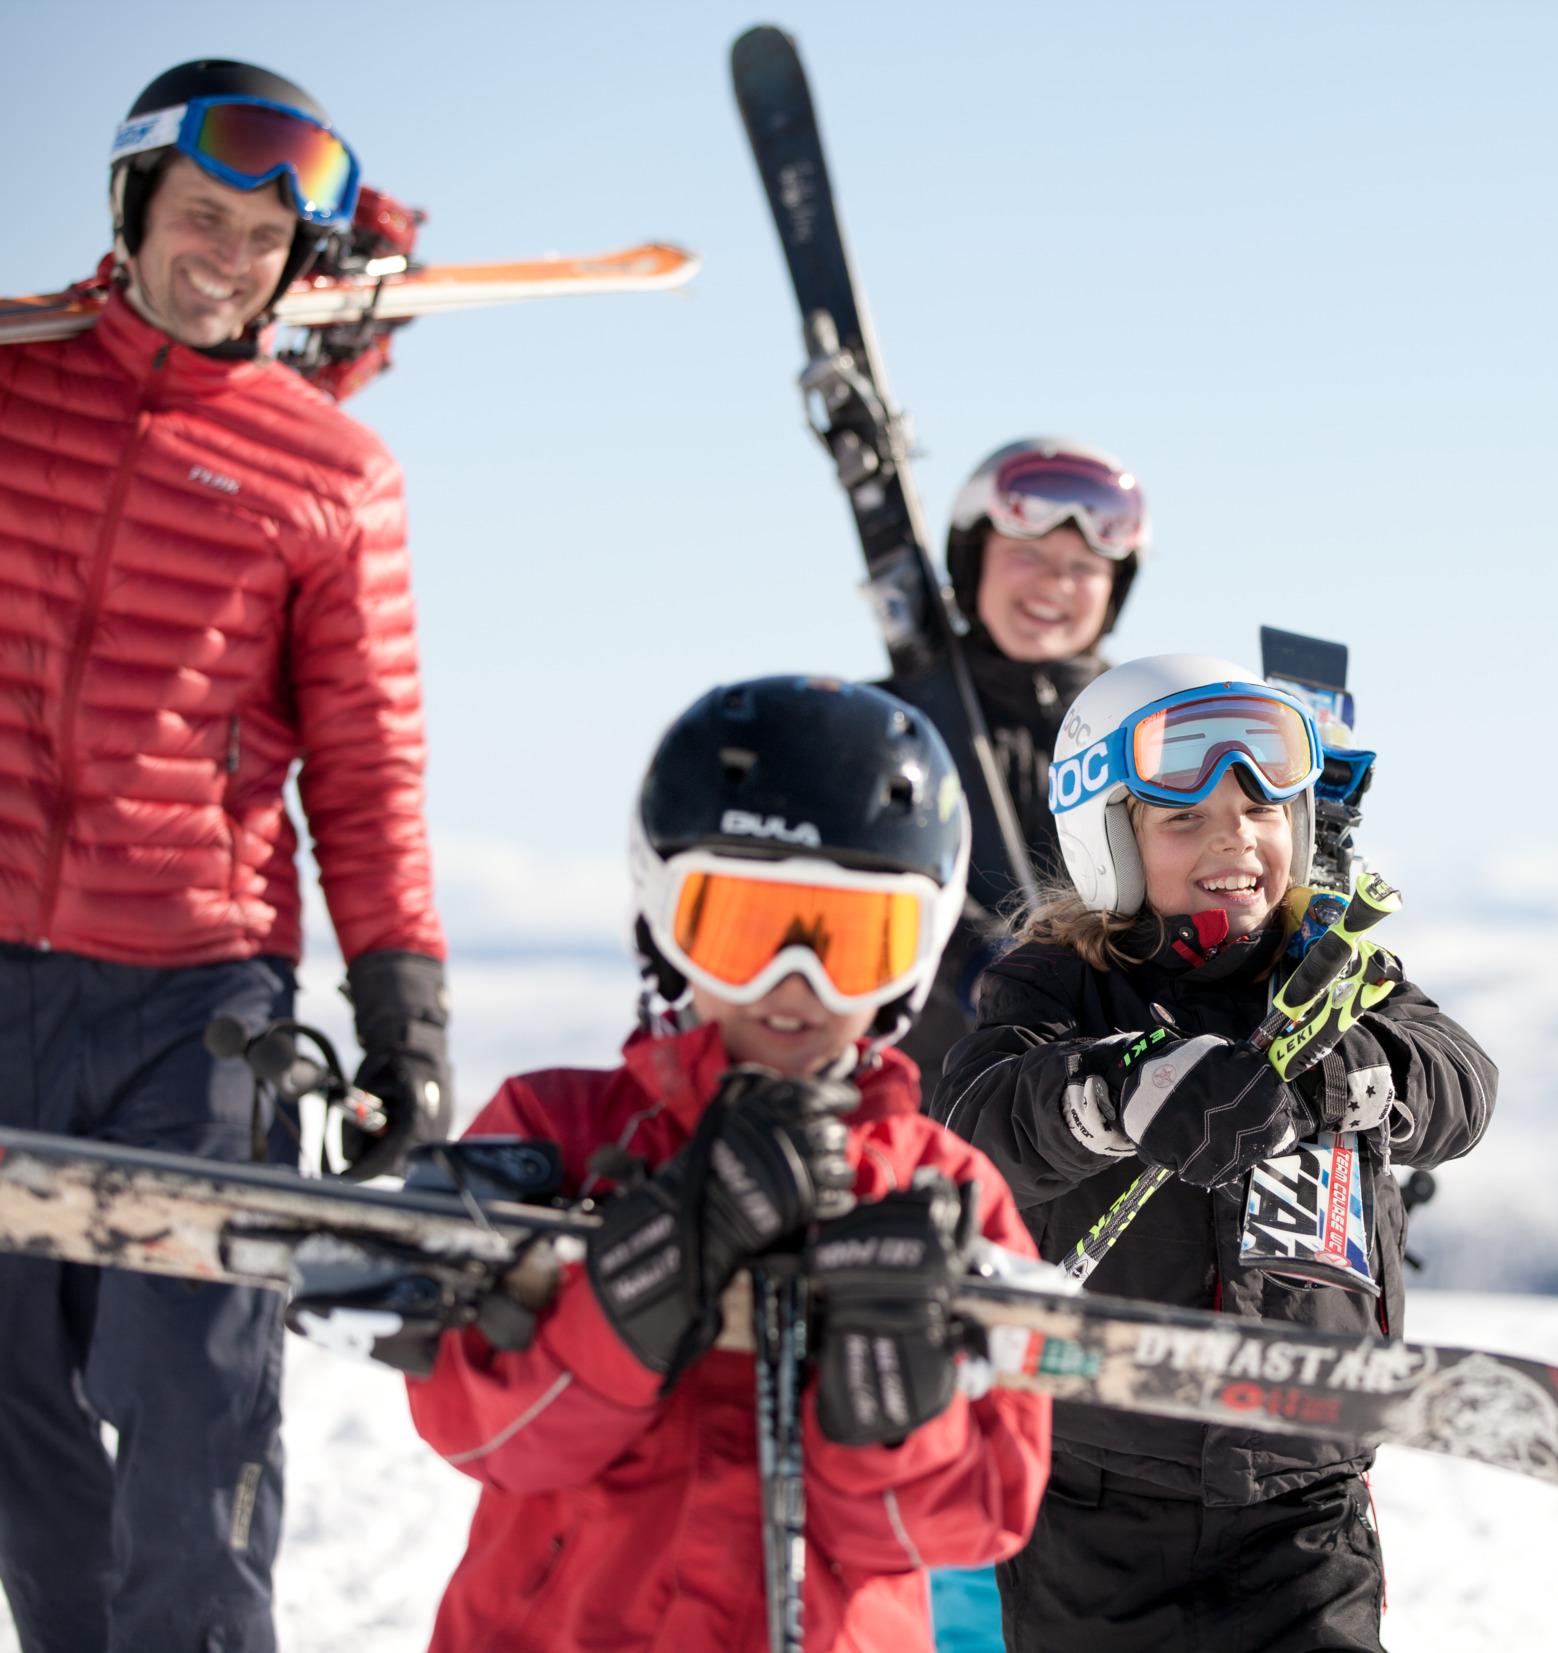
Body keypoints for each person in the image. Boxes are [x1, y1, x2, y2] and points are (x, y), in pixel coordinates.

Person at [0, 59, 450, 1653]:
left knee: (193, 1422)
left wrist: (406, 1004)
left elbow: (371, 753)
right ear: (128, 208)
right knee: (23, 1438)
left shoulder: (326, 471)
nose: (229, 256)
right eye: (200, 216)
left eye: (267, 236)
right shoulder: (14, 381)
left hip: (196, 1002)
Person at [405, 675, 1049, 1652]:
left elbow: (969, 1525)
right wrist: (647, 1275)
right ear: (664, 921)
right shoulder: (554, 1131)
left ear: (913, 956)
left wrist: (891, 1409)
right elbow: (478, 1431)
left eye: (849, 942)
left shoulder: (944, 1195)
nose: (794, 988)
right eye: (744, 928)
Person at [937, 654, 1498, 1653]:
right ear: (1107, 834)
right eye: (1182, 819)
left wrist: (1338, 1075)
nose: (1232, 841)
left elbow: (1458, 1084)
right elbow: (981, 1120)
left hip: (1304, 1507)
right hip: (1096, 1501)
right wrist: (1119, 1092)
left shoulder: (1334, 978)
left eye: (1260, 812)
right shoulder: (1054, 986)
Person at [883, 436, 1149, 1090]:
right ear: (974, 565)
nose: (1055, 584)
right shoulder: (891, 724)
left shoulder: (1148, 730)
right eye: (1026, 555)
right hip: (926, 1092)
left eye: (1084, 565)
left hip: (1103, 1096)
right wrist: (979, 964)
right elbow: (875, 878)